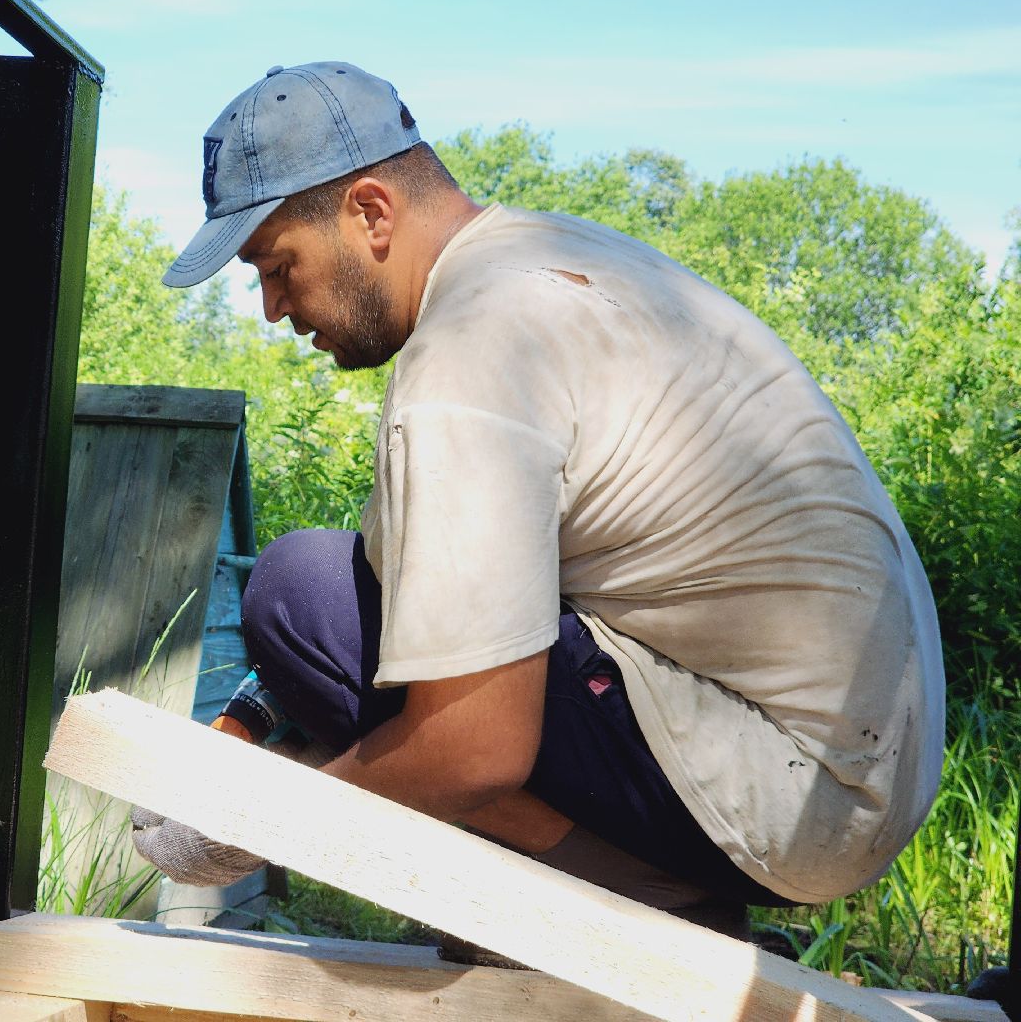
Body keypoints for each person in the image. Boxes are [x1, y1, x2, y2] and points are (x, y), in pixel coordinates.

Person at [131, 61, 944, 938]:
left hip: (784, 797)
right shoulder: (546, 262)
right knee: (344, 593)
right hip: (848, 769)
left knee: (298, 594)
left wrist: (262, 827)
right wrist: (251, 726)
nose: (271, 309)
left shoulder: (469, 357)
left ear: (369, 212)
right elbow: (395, 572)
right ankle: (617, 866)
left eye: (277, 265)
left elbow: (478, 747)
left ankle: (638, 898)